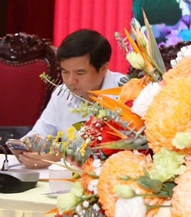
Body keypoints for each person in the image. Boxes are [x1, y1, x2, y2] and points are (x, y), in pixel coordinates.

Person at [17, 29, 123, 167]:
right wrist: (28, 148)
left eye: (80, 73)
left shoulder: (127, 93)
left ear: (103, 69)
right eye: (65, 72)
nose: (70, 81)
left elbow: (125, 155)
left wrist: (61, 155)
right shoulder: (61, 93)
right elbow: (39, 134)